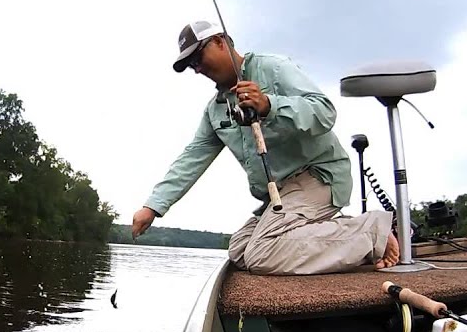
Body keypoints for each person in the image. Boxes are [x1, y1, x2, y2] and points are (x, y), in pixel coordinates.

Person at [131, 20, 400, 274]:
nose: (197, 68)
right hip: (278, 197)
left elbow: (325, 112)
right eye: (191, 65)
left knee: (262, 252)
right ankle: (343, 231)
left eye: (198, 58)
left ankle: (372, 231)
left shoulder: (274, 68)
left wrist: (269, 105)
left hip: (319, 177)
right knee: (240, 250)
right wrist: (153, 207)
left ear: (220, 41)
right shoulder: (215, 110)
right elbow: (192, 158)